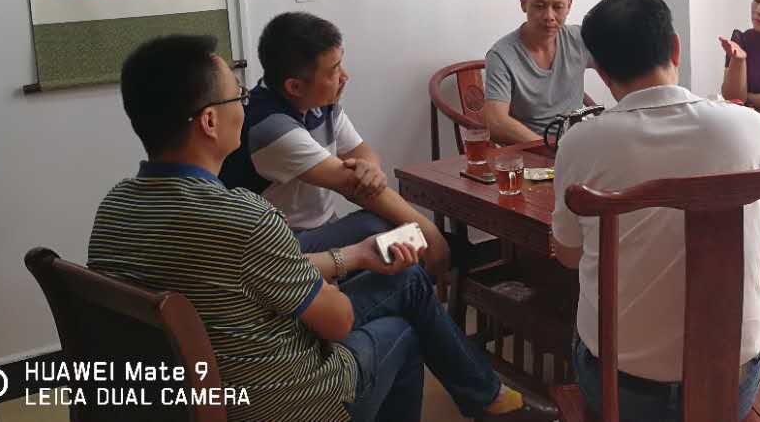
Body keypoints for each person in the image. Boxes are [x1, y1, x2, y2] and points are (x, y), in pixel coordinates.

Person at [89, 35, 550, 422]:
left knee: (385, 256)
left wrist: (355, 256)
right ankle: (490, 400)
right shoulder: (245, 217)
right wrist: (342, 277)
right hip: (282, 401)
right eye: (237, 96)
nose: (245, 105)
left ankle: (489, 399)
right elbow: (338, 321)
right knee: (403, 320)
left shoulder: (114, 208)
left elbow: (240, 276)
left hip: (186, 396)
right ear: (209, 121)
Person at [551, 0, 760, 422]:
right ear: (675, 47)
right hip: (731, 383)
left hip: (622, 391)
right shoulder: (751, 126)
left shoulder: (581, 141)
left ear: (600, 72)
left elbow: (567, 255)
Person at [220, 12, 448, 276]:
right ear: (294, 86)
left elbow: (361, 152)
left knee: (400, 248)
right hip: (277, 249)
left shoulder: (319, 104)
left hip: (323, 227)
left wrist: (369, 168)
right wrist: (431, 233)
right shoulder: (271, 128)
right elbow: (353, 186)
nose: (345, 76)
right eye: (334, 70)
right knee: (384, 228)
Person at [483, 0, 592, 144]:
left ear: (569, 6)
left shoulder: (579, 39)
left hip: (578, 143)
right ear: (523, 4)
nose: (549, 16)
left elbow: (623, 71)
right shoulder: (501, 55)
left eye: (558, 7)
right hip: (531, 150)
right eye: (540, 6)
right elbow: (496, 122)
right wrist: (551, 149)